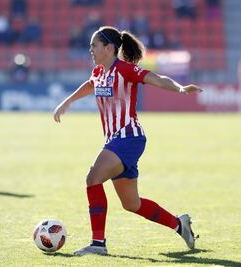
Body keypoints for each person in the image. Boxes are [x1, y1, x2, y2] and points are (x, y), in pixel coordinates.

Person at [53, 26, 201, 256]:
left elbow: (157, 79)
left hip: (129, 138)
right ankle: (179, 224)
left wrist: (180, 88)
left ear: (109, 48)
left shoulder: (124, 69)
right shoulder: (99, 72)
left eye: (94, 45)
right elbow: (90, 85)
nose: (90, 49)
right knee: (132, 204)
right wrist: (67, 102)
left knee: (93, 179)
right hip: (117, 141)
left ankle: (98, 244)